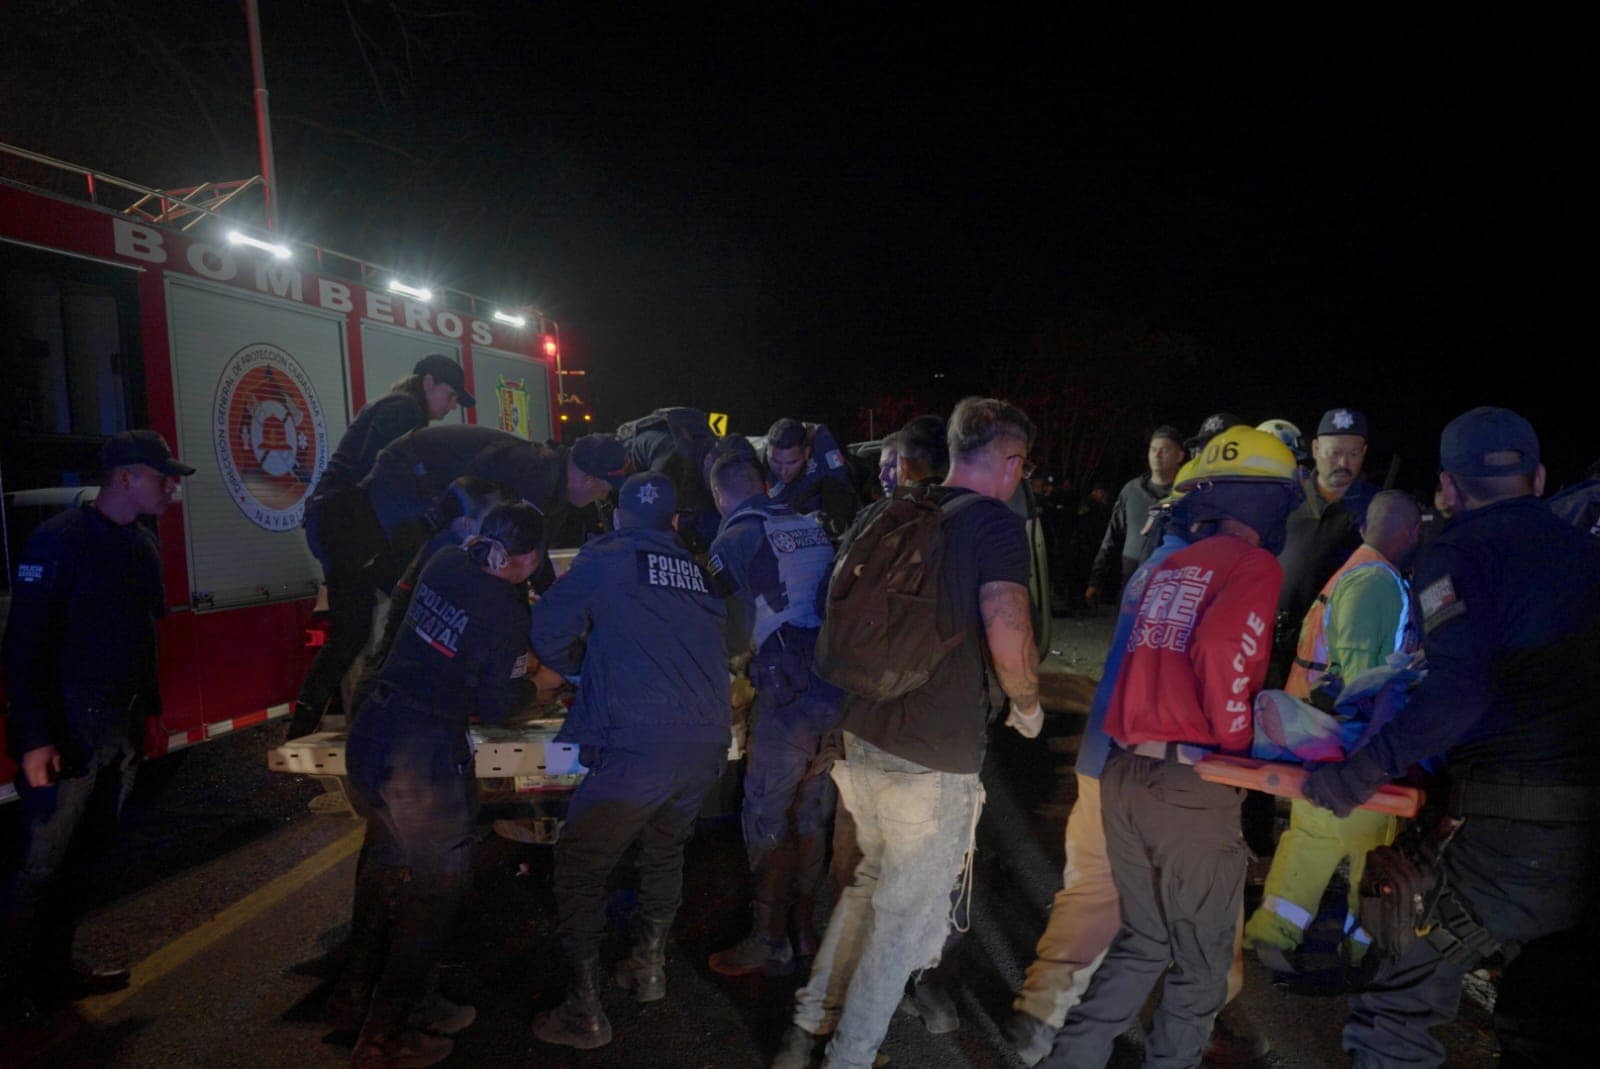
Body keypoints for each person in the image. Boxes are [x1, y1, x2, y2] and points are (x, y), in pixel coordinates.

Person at [1302, 407, 1600, 1067]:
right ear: (1541, 477)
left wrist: (1359, 771)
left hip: (1501, 843)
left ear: (1449, 488)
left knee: (1393, 1011)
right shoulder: (1584, 551)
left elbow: (1459, 694)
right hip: (1583, 843)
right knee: (1544, 1021)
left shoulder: (1459, 553)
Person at [774, 396, 1041, 1069]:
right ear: (1011, 461)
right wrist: (1027, 703)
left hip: (862, 735)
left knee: (868, 883)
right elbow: (1007, 623)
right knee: (901, 923)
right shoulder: (993, 522)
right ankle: (850, 1055)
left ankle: (806, 1025)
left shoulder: (896, 509)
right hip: (931, 756)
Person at [1041, 426, 1302, 1069]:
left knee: (1144, 942)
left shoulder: (1170, 564)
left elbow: (1131, 663)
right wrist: (1237, 754)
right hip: (1188, 784)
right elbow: (1224, 655)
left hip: (1127, 771)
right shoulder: (1253, 565)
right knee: (1202, 968)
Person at [335, 502, 543, 1067]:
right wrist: (540, 684)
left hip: (372, 731)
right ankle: (382, 1038)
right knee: (437, 891)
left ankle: (355, 1002)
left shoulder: (447, 561)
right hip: (420, 757)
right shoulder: (506, 610)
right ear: (526, 558)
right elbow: (499, 703)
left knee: (384, 866)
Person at [529, 472, 730, 1051]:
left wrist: (577, 671)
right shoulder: (697, 571)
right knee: (664, 849)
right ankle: (648, 969)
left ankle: (583, 1011)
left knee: (580, 866)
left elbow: (548, 628)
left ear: (617, 518)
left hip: (638, 745)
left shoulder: (605, 556)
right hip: (705, 744)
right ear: (672, 523)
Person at [1, 430, 194, 1021]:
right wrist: (33, 738)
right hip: (71, 725)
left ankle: (55, 974)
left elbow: (142, 637)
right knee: (41, 865)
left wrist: (154, 715)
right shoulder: (57, 542)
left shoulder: (140, 544)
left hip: (123, 724)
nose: (172, 488)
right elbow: (24, 646)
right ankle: (12, 995)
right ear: (124, 478)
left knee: (85, 858)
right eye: (162, 477)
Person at [1243, 490, 1423, 973]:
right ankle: (1364, 946)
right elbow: (1365, 677)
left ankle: (1275, 935)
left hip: (1320, 734)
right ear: (1412, 532)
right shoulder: (1376, 583)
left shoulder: (1357, 573)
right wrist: (1371, 751)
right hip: (1346, 738)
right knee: (1370, 839)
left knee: (1314, 834)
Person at [703, 454, 843, 978]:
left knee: (765, 815)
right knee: (810, 814)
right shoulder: (808, 524)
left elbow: (733, 633)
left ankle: (767, 939)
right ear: (764, 483)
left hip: (786, 695)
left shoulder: (734, 538)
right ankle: (805, 932)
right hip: (835, 685)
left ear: (721, 496)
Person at [290, 354, 472, 737]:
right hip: (349, 528)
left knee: (351, 632)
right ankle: (405, 715)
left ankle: (304, 725)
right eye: (450, 395)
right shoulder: (403, 412)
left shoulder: (397, 409)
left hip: (337, 527)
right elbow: (389, 475)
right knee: (420, 606)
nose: (452, 406)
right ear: (428, 382)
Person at [1271, 408, 1379, 683]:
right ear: (1316, 449)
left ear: (1364, 452)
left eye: (1353, 454)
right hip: (1270, 645)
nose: (1343, 462)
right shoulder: (1286, 498)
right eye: (1334, 452)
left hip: (1332, 655)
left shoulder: (1377, 508)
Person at [1085, 426, 1184, 607]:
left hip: (1172, 584)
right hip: (1132, 582)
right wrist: (1095, 580)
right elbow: (1112, 537)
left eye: (1165, 450)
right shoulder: (1132, 490)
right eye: (1153, 449)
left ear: (1179, 456)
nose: (1157, 455)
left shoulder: (1186, 494)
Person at [764, 418, 859, 537]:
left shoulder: (824, 449)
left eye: (792, 462)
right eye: (775, 461)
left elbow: (845, 504)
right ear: (767, 452)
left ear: (807, 453)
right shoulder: (755, 465)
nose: (783, 471)